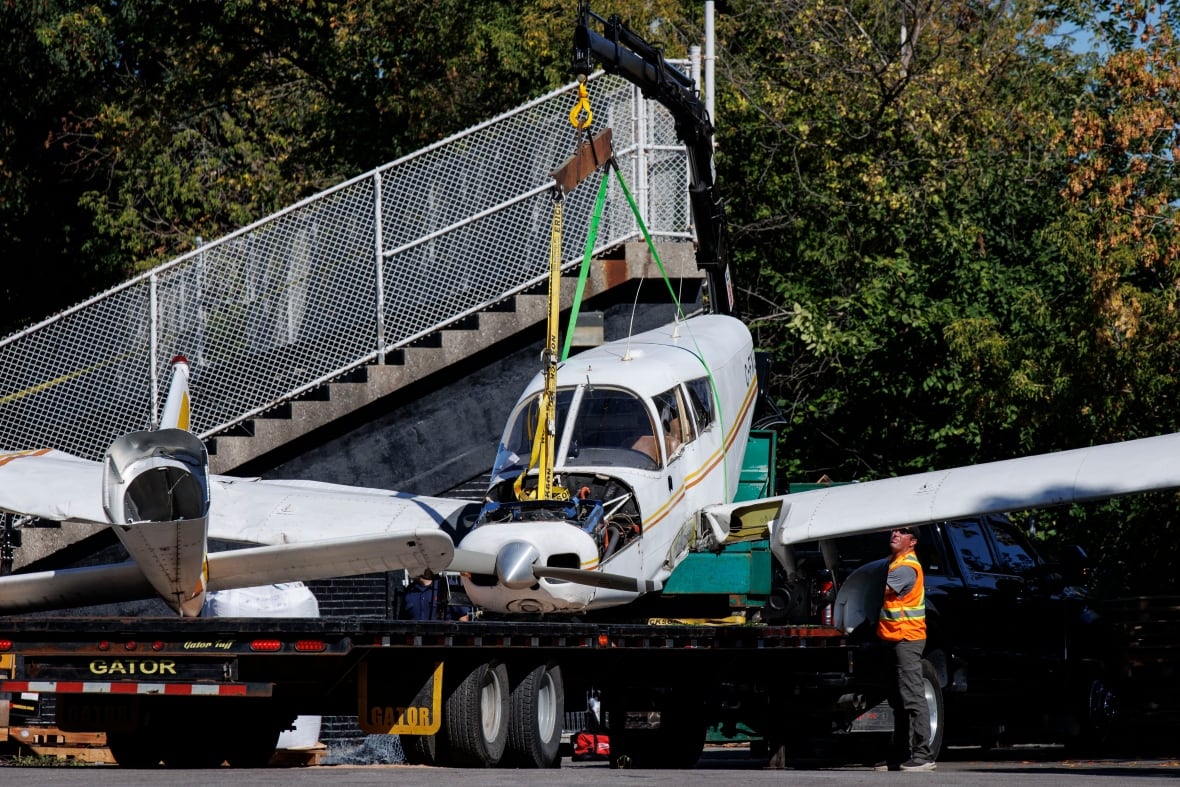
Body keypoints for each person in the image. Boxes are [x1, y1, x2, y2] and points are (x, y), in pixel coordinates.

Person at [877, 527, 935, 772]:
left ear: (913, 541)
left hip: (907, 638)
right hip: (895, 638)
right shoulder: (895, 561)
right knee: (899, 698)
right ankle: (900, 755)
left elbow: (881, 590)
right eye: (893, 530)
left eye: (903, 532)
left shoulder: (906, 567)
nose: (895, 533)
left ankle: (923, 755)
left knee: (912, 696)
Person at [402, 570, 471, 621]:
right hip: (416, 639)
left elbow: (463, 618)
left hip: (445, 639)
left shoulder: (448, 585)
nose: (409, 568)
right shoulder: (409, 590)